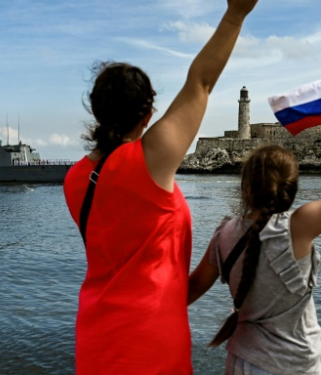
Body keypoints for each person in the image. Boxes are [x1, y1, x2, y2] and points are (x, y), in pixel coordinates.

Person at [63, 0, 259, 373]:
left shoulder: (74, 179)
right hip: (150, 348)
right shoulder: (149, 159)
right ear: (149, 114)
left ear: (97, 111)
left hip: (95, 343)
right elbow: (201, 82)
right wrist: (236, 14)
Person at [187, 105, 321, 375]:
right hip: (293, 365)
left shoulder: (224, 234)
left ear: (245, 187)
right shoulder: (297, 227)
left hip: (240, 362)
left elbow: (190, 289)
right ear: (291, 186)